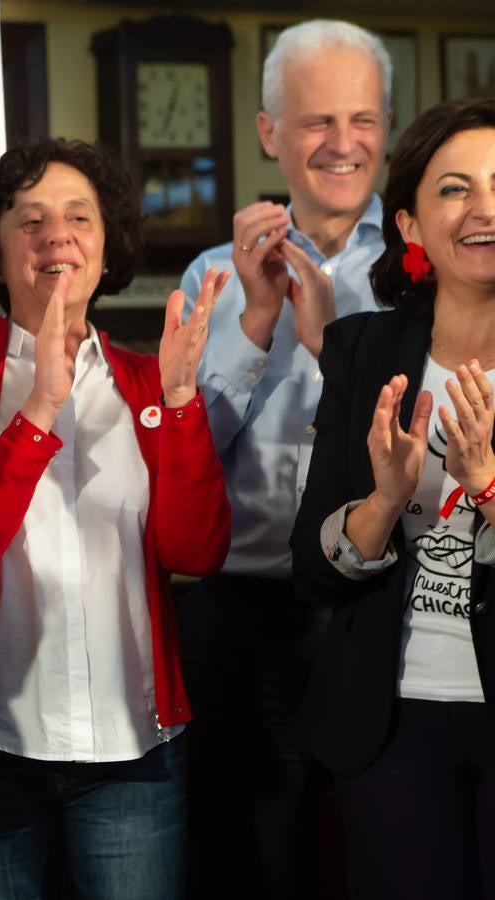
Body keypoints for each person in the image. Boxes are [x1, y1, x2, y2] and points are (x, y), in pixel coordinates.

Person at [0, 138, 231, 900]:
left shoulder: (150, 381)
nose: (56, 234)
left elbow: (197, 550)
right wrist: (41, 408)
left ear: (105, 245)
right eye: (29, 220)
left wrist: (183, 403)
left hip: (135, 755)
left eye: (78, 217)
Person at [176, 20, 392, 899]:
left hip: (386, 604)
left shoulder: (431, 267)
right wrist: (256, 330)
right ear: (270, 133)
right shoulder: (209, 279)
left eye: (362, 120)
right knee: (254, 855)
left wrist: (333, 338)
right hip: (244, 613)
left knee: (385, 846)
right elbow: (188, 456)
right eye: (315, 123)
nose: (343, 145)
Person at [290, 98, 495, 900]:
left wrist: (484, 485)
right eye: (456, 189)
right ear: (410, 227)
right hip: (390, 718)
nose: (485, 209)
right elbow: (314, 567)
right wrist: (383, 500)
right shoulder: (363, 351)